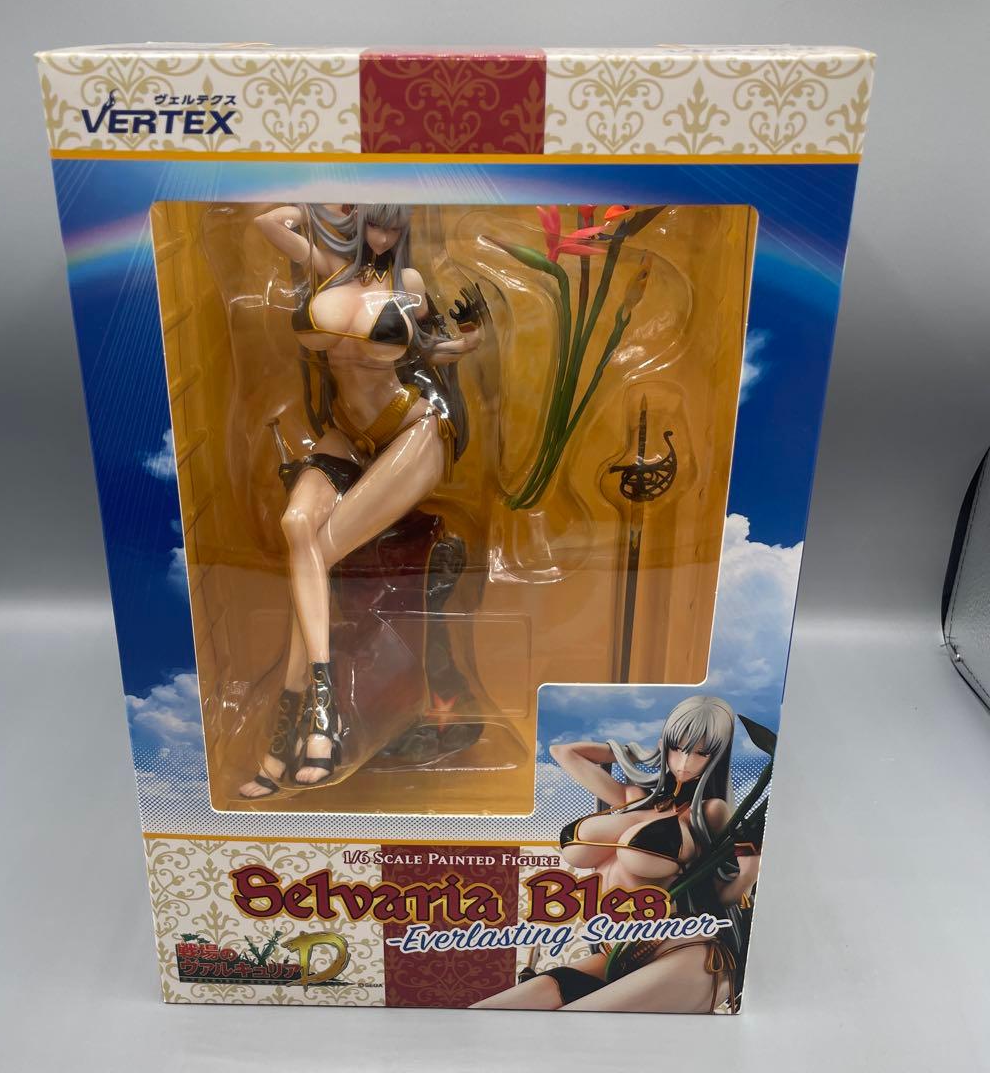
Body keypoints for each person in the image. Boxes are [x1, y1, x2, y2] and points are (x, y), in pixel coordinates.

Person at [239, 204, 480, 794]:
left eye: (393, 226)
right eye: (374, 222)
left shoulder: (409, 282)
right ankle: (317, 713)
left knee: (318, 552)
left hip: (411, 430)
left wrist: (471, 340)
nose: (382, 235)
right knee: (297, 525)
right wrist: (314, 207)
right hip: (346, 433)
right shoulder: (328, 267)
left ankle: (295, 725)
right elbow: (266, 223)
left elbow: (432, 350)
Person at [474, 696, 760, 1012]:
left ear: (717, 756)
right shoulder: (631, 797)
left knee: (568, 1027)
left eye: (700, 752)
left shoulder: (709, 811)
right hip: (619, 950)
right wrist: (633, 753)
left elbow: (721, 893)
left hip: (684, 949)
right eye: (677, 747)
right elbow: (563, 752)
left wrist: (749, 873)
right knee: (488, 1013)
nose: (684, 761)